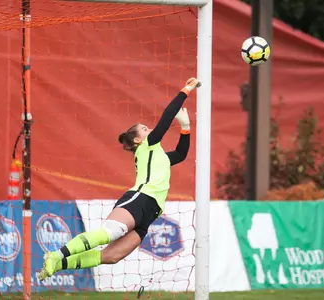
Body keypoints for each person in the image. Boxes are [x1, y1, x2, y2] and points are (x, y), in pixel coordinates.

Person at [38, 77, 201, 280]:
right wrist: (185, 90)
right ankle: (56, 254)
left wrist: (186, 129)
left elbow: (181, 154)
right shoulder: (146, 146)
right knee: (108, 233)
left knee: (112, 256)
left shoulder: (159, 155)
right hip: (140, 198)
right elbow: (165, 120)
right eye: (144, 129)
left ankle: (57, 264)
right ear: (137, 140)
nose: (149, 129)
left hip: (151, 211)